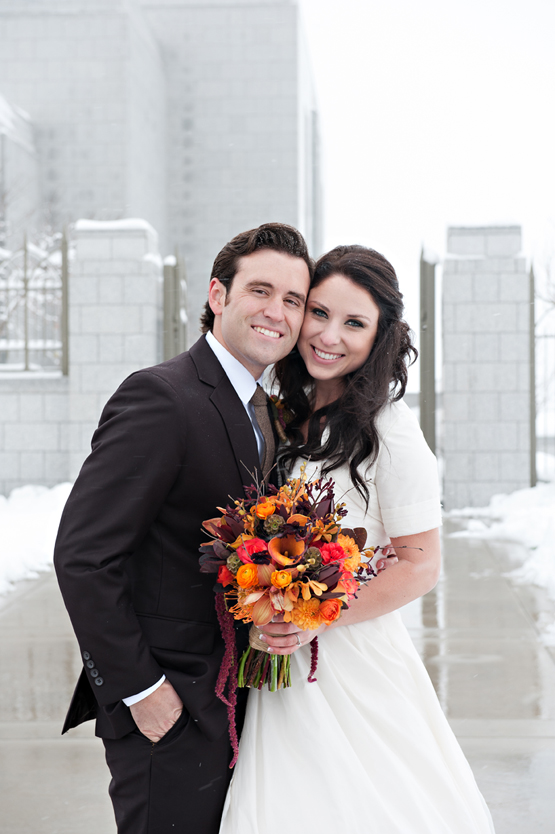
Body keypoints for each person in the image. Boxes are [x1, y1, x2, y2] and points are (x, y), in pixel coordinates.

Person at [219, 245, 495, 833]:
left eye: (354, 323)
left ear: (380, 337)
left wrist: (316, 615)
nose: (328, 335)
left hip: (351, 661)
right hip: (280, 654)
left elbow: (421, 565)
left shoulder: (389, 432)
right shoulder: (283, 416)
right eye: (318, 313)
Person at [53, 222, 312, 834]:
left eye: (293, 301)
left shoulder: (265, 411)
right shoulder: (161, 396)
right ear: (219, 296)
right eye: (260, 291)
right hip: (169, 704)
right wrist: (143, 691)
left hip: (232, 695)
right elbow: (84, 556)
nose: (277, 312)